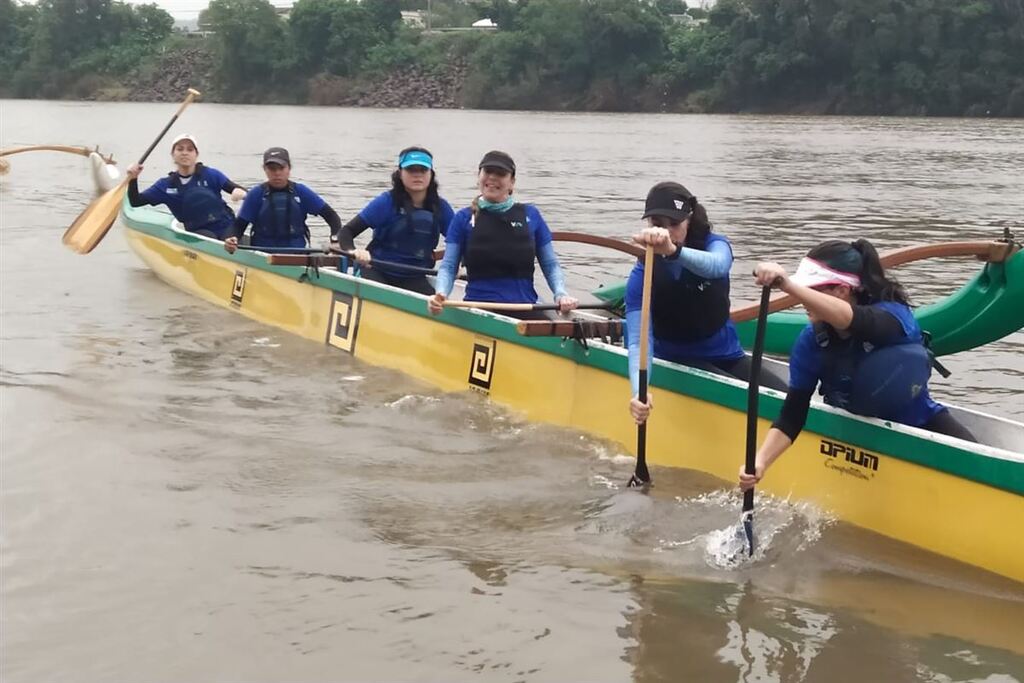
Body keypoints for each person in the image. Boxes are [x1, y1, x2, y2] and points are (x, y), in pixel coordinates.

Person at [738, 239, 976, 491]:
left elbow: (856, 320)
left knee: (978, 465)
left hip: (921, 422)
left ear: (842, 291)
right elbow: (792, 416)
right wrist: (760, 463)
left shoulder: (894, 317)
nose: (800, 301)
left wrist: (787, 285)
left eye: (810, 291)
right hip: (853, 438)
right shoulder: (811, 343)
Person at [628, 182, 787, 425]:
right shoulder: (643, 273)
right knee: (736, 395)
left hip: (726, 353)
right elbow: (640, 340)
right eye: (659, 224)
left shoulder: (716, 244)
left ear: (689, 220)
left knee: (787, 396)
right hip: (676, 358)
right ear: (648, 225)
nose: (668, 231)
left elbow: (718, 266)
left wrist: (673, 251)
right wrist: (638, 392)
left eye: (675, 224)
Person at [427, 151, 579, 317]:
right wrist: (440, 294)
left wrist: (561, 294)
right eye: (488, 171)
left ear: (512, 182)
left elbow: (550, 265)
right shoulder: (463, 218)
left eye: (500, 173)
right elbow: (449, 267)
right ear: (478, 177)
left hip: (524, 307)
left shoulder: (531, 215)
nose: (492, 177)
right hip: (479, 308)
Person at [333, 146, 455, 295]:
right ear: (400, 174)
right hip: (377, 270)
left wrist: (457, 261)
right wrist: (354, 251)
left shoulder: (441, 208)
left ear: (431, 174)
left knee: (435, 307)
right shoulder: (386, 202)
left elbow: (461, 242)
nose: (417, 175)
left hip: (414, 276)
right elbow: (346, 232)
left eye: (422, 170)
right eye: (411, 170)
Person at [126, 133, 245, 239]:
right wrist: (133, 179)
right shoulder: (165, 185)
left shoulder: (211, 174)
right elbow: (135, 201)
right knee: (209, 237)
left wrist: (239, 192)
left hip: (227, 228)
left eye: (190, 149)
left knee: (229, 239)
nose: (184, 153)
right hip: (199, 233)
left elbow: (242, 191)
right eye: (180, 149)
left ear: (196, 154)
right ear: (173, 155)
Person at [224, 147, 341, 253]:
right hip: (262, 255)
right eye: (272, 169)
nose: (277, 173)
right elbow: (239, 226)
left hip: (296, 256)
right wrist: (231, 238)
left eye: (281, 168)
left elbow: (332, 216)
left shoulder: (301, 192)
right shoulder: (256, 194)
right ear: (265, 169)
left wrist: (335, 240)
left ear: (289, 168)